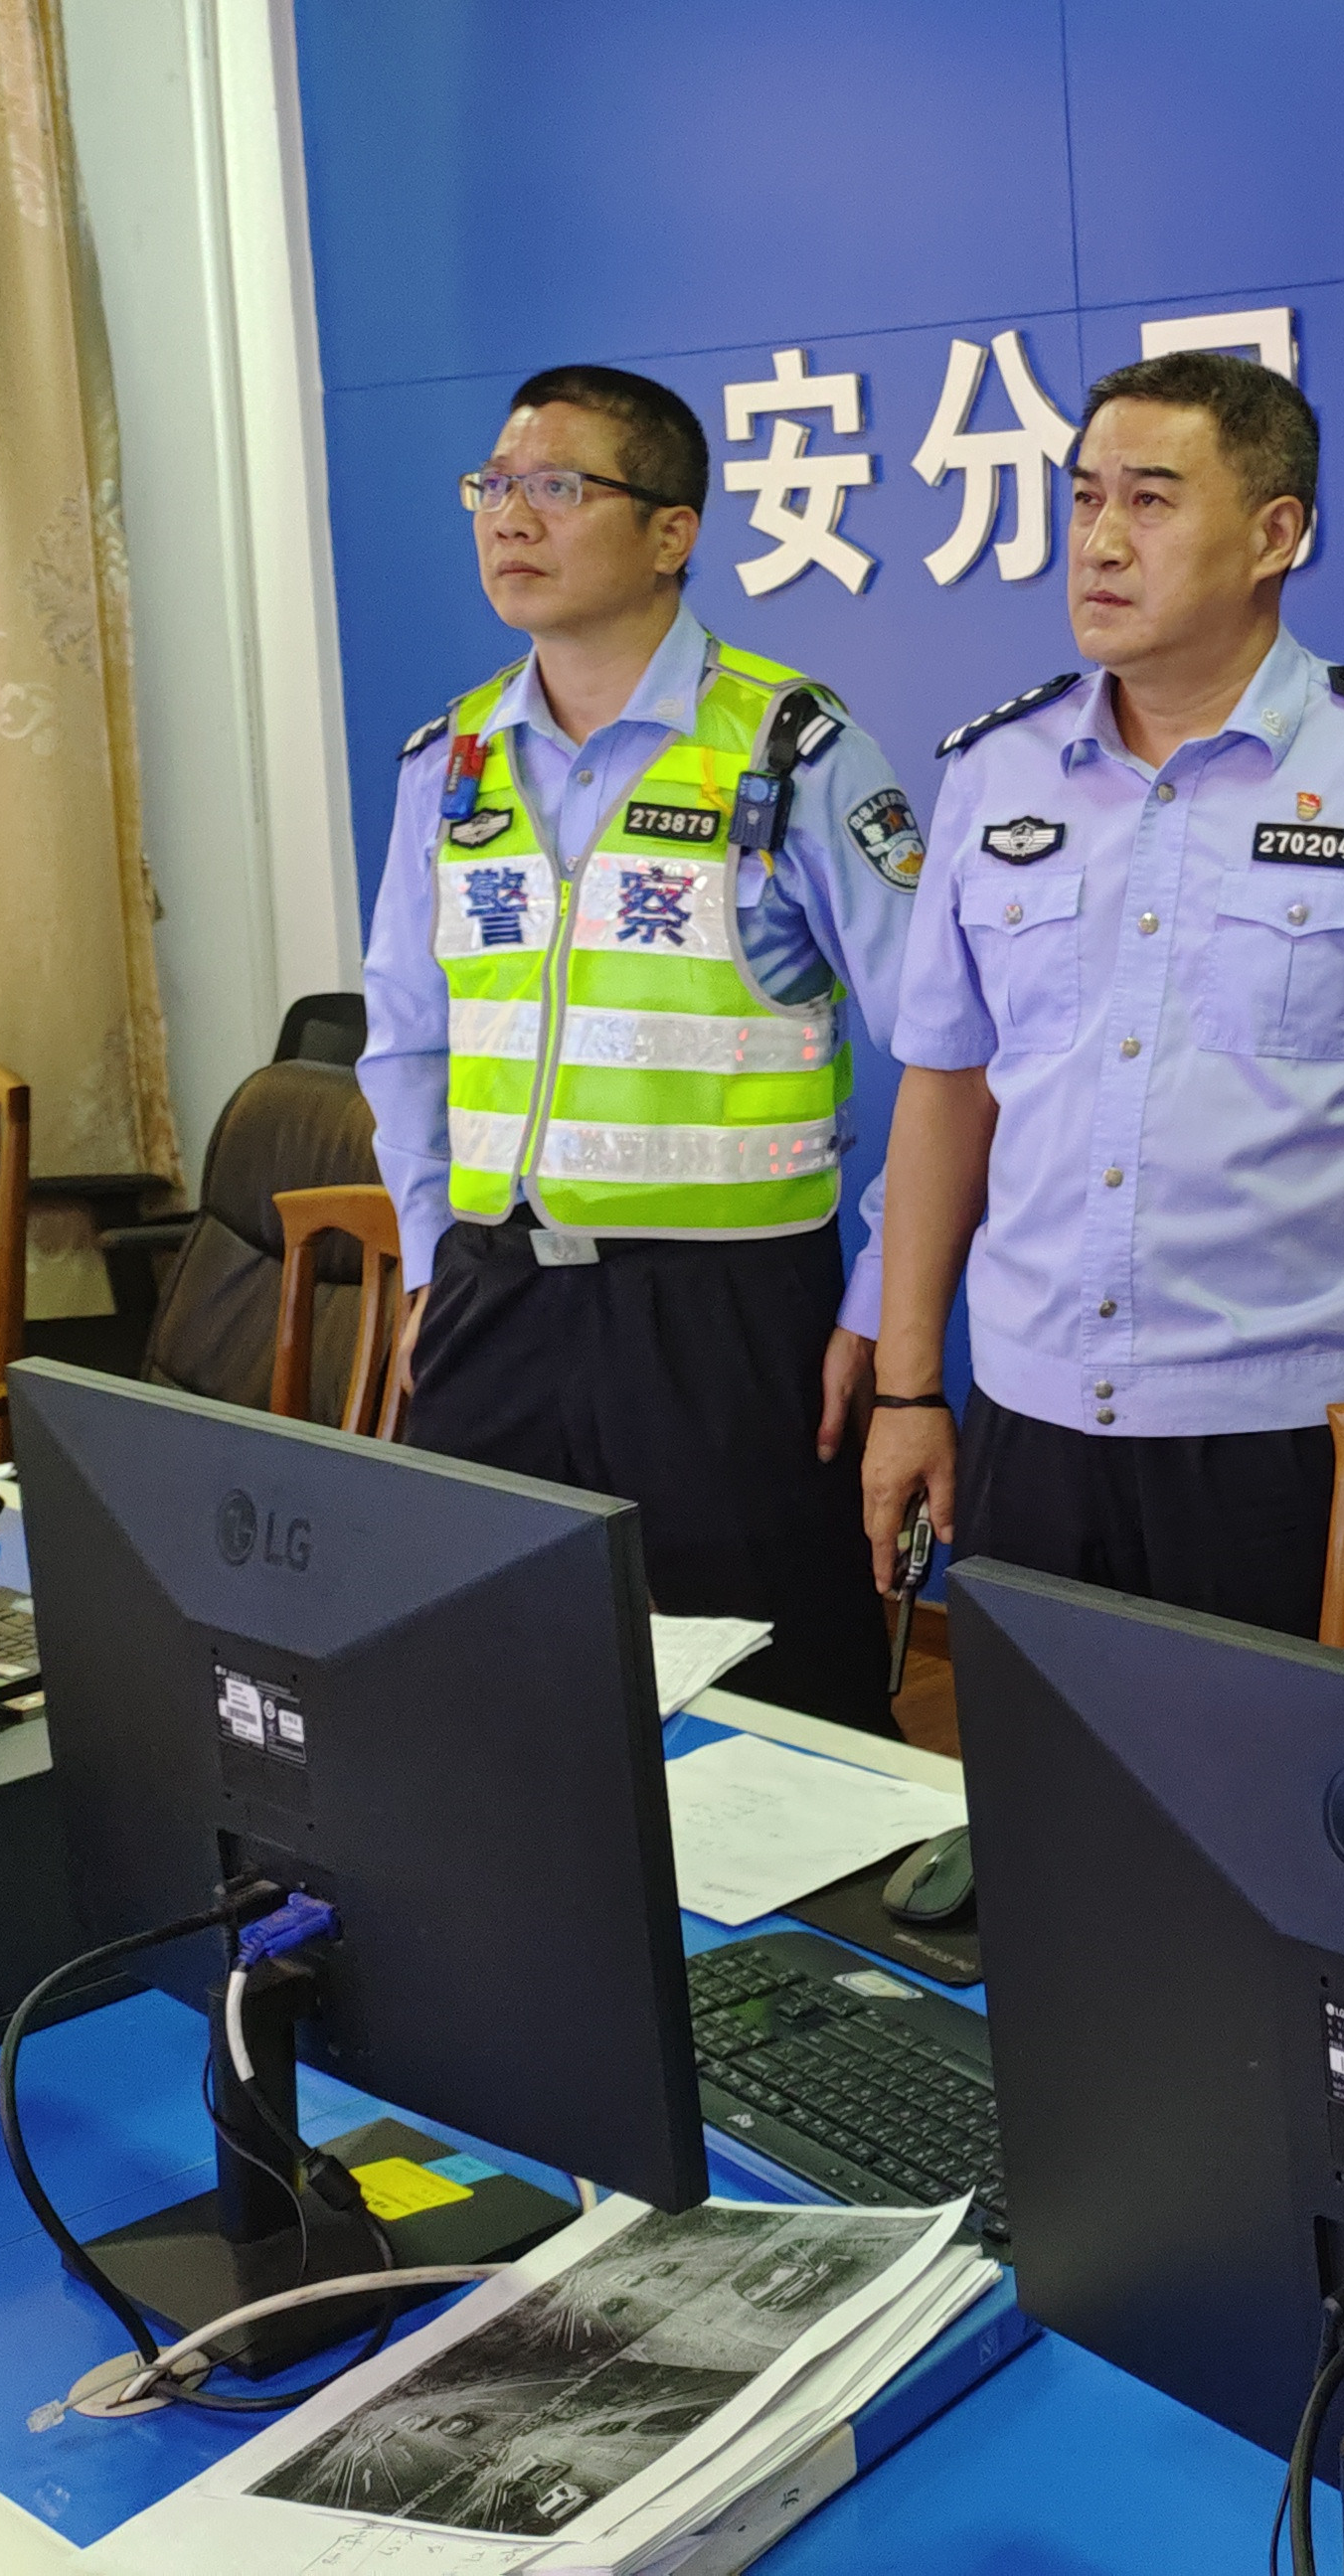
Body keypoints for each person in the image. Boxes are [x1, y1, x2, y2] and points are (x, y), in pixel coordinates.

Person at [858, 351, 1344, 1648]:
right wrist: (909, 1388)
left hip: (1289, 1435)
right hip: (1030, 1414)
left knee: (1298, 1779)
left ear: (1273, 534)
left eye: (1150, 500)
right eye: (1085, 499)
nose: (1099, 542)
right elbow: (948, 1083)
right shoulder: (994, 769)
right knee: (1045, 1770)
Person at [359, 364, 930, 1735]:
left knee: (775, 1714)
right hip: (496, 1294)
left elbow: (948, 1056)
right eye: (493, 486)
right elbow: (407, 1040)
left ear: (672, 531)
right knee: (481, 1698)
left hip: (723, 1316)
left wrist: (875, 1309)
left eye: (558, 487)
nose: (511, 517)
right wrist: (433, 1254)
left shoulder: (791, 750)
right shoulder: (452, 759)